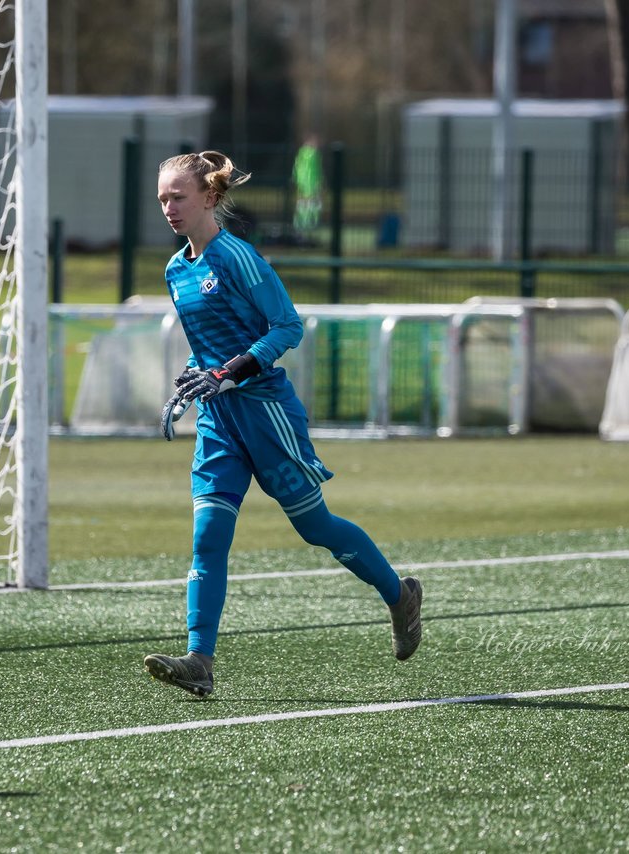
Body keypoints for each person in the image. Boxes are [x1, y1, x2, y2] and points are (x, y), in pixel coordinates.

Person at [144, 151, 423, 698]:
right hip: (220, 422)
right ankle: (200, 660)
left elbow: (286, 327)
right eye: (161, 199)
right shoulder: (177, 271)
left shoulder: (238, 258)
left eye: (178, 196)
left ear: (209, 197)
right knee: (208, 538)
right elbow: (212, 347)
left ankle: (399, 595)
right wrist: (195, 376)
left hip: (267, 414)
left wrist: (232, 371)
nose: (169, 208)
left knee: (315, 527)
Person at [292, 134, 323, 236]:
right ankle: (307, 222)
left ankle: (303, 222)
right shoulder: (312, 153)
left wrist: (296, 178)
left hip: (304, 181)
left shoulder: (302, 152)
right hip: (309, 182)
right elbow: (314, 170)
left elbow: (297, 168)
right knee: (309, 201)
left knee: (305, 201)